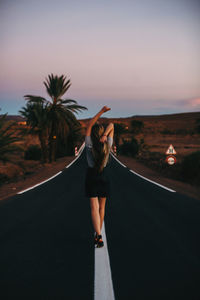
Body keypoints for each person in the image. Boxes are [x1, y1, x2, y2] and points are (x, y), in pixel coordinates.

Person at [84, 106, 114, 248]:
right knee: (102, 208)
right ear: (102, 134)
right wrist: (105, 135)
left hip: (91, 176)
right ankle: (98, 235)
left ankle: (99, 235)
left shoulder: (89, 144)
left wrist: (101, 111)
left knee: (94, 208)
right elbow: (112, 125)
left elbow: (89, 124)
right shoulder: (107, 144)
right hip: (104, 176)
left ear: (93, 134)